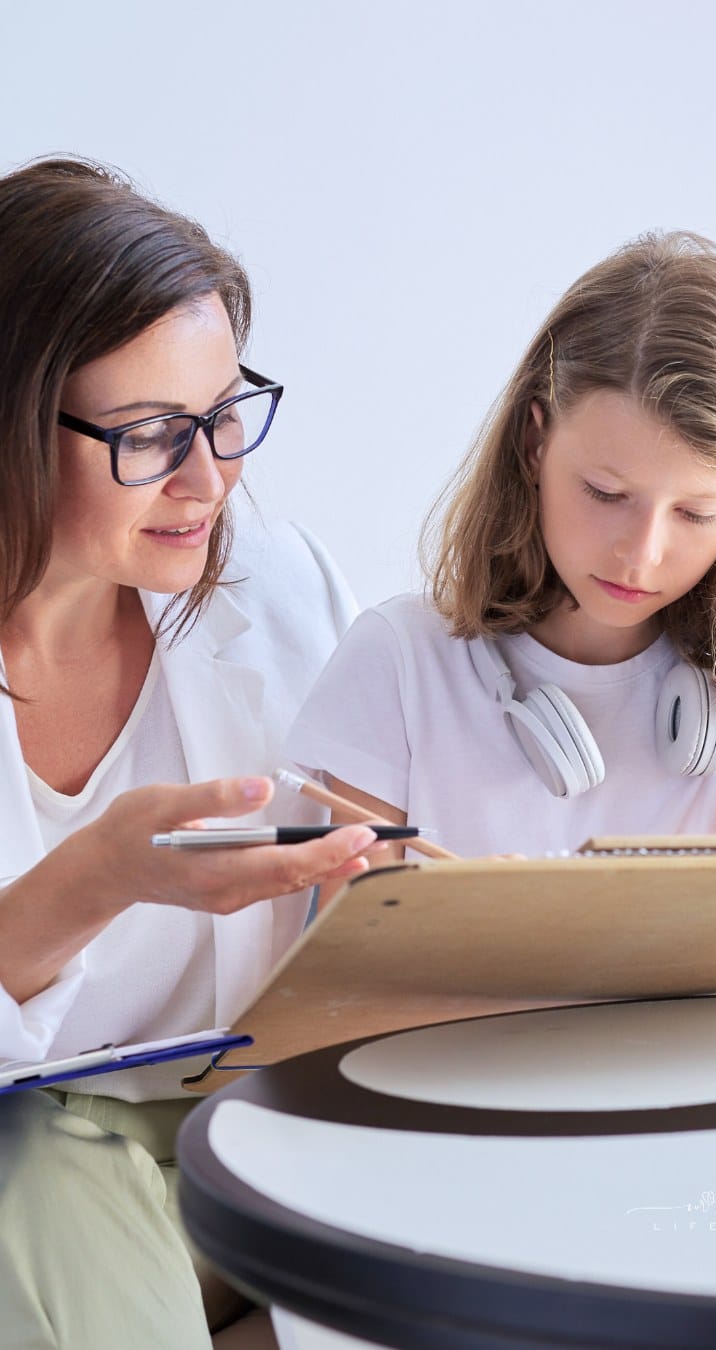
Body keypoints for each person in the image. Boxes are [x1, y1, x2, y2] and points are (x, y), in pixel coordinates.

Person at [0, 157, 382, 1349]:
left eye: (226, 414)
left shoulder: (275, 586)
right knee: (42, 1163)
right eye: (155, 433)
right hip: (42, 1176)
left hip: (251, 1129)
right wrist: (101, 876)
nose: (209, 479)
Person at [287, 231, 716, 888]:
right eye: (606, 493)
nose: (642, 554)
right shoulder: (400, 663)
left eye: (697, 513)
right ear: (534, 442)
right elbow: (351, 968)